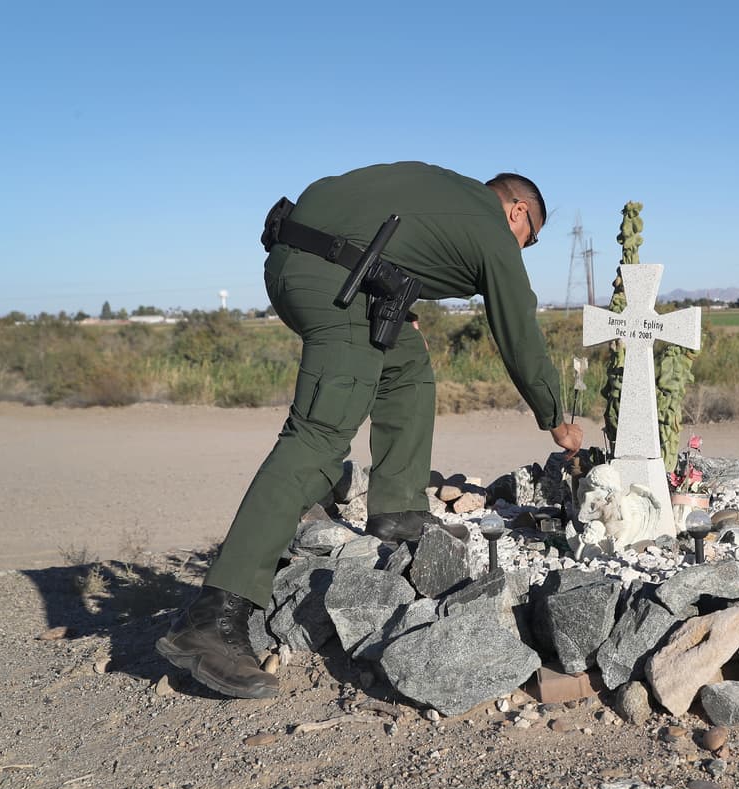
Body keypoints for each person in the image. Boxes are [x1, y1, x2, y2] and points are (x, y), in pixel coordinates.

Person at [156, 162, 583, 699]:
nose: (523, 247)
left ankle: (398, 512)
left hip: (312, 261)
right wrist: (556, 415)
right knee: (317, 437)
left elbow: (363, 223)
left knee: (406, 365)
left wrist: (395, 300)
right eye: (531, 238)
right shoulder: (489, 223)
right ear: (517, 210)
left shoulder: (441, 188)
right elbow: (517, 324)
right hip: (335, 282)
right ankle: (213, 618)